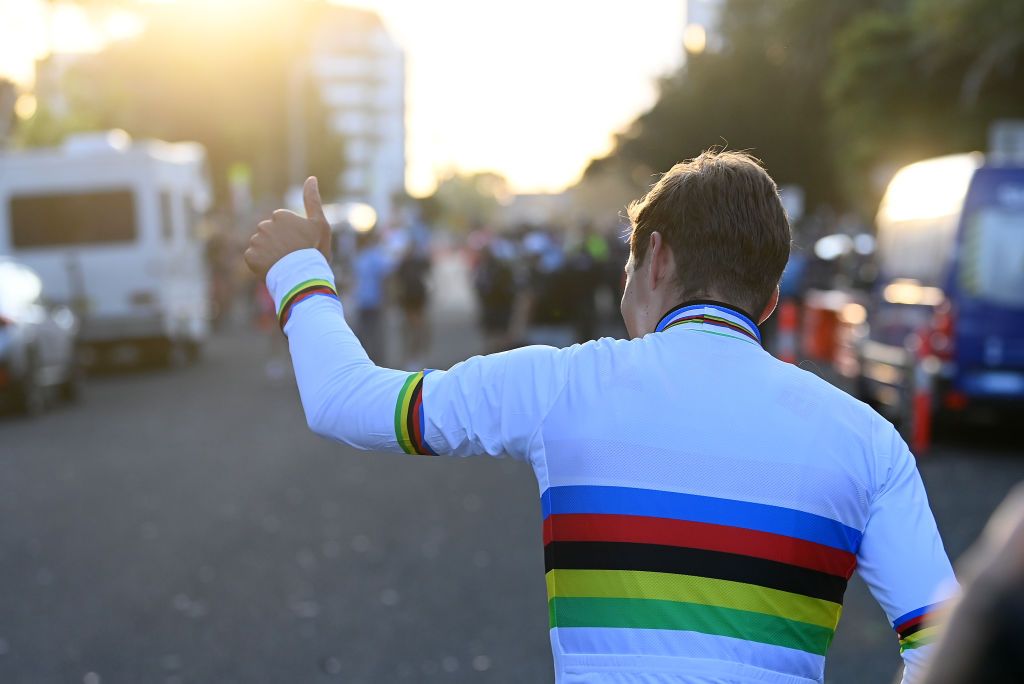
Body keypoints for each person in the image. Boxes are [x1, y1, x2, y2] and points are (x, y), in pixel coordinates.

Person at [245, 155, 956, 684]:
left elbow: (347, 400)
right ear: (770, 299)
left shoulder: (562, 382)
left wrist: (299, 272)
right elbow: (948, 644)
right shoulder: (867, 441)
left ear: (654, 257)